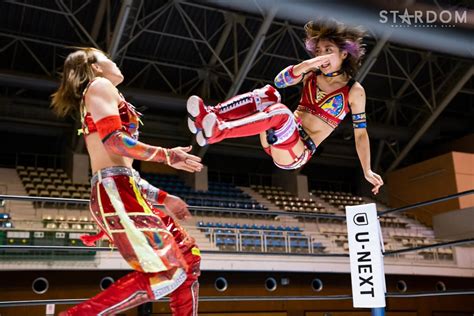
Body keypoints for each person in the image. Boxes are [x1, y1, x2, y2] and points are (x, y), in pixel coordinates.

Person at [51, 47, 203, 315]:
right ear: (96, 67)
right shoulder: (99, 85)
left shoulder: (106, 91)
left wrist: (165, 198)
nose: (114, 61)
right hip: (115, 193)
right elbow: (114, 141)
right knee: (169, 271)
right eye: (106, 57)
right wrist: (167, 156)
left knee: (188, 260)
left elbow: (123, 170)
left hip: (124, 189)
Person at [187, 19, 383, 195]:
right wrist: (308, 64)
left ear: (344, 53)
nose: (321, 56)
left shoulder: (354, 91)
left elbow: (360, 134)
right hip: (279, 133)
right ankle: (207, 116)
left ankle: (218, 131)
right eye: (318, 51)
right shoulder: (310, 75)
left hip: (298, 151)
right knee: (269, 94)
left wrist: (367, 169)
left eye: (328, 50)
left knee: (281, 113)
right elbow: (279, 81)